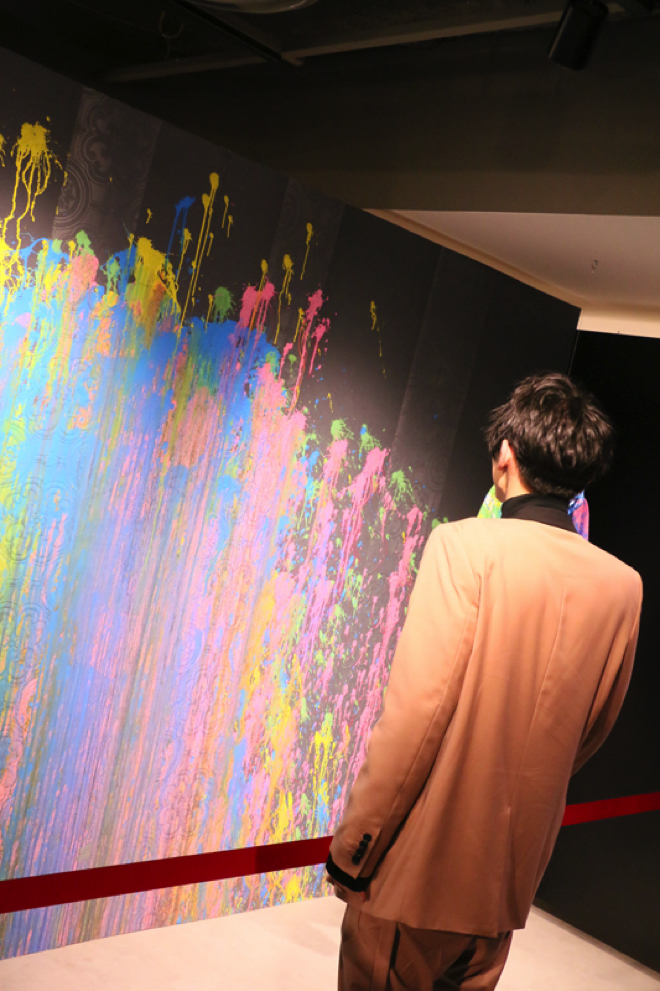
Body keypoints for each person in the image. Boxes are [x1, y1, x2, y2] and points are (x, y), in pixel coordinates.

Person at [325, 372, 643, 991]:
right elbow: (591, 730)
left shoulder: (463, 547)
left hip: (413, 877)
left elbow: (414, 720)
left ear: (505, 456)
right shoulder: (621, 586)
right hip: (505, 883)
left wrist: (355, 847)